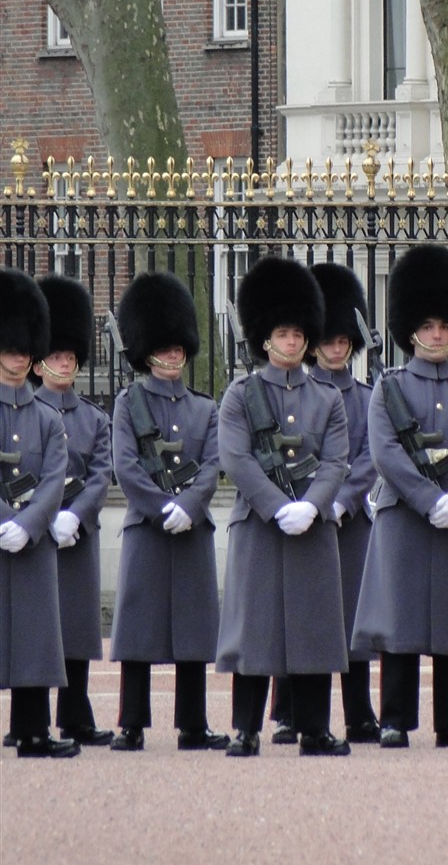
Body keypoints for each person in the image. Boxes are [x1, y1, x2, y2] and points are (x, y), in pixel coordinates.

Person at [352, 243, 448, 750]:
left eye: (444, 326)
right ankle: (395, 719)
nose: (437, 335)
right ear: (412, 330)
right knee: (401, 621)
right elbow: (385, 453)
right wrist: (427, 499)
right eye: (428, 326)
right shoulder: (388, 387)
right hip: (405, 518)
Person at [216, 256, 352, 757]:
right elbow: (236, 458)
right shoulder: (241, 395)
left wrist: (312, 507)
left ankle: (314, 729)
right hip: (260, 525)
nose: (292, 342)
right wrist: (277, 507)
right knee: (256, 630)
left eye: (298, 334)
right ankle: (246, 728)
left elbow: (336, 461)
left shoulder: (327, 398)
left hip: (313, 526)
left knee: (315, 629)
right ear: (265, 338)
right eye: (282, 333)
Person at [109, 271, 229, 752]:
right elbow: (126, 467)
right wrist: (163, 509)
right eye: (165, 346)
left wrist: (190, 507)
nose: (175, 354)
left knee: (194, 633)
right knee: (138, 631)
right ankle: (131, 723)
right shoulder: (128, 403)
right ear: (148, 350)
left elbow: (213, 465)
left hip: (192, 529)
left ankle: (193, 724)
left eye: (179, 346)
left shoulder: (204, 409)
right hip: (147, 527)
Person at [271, 262, 379, 745]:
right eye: (329, 341)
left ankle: (359, 712)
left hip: (348, 520)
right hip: (304, 515)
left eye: (343, 341)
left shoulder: (367, 397)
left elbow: (368, 457)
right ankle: (289, 711)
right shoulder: (296, 391)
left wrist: (341, 503)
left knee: (352, 618)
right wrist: (311, 504)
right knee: (297, 614)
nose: (337, 348)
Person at [31, 276, 114, 745]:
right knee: (37, 627)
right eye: (56, 355)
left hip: (77, 534)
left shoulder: (93, 418)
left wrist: (76, 516)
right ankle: (30, 719)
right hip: (36, 534)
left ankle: (76, 716)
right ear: (39, 362)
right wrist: (44, 517)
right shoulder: (26, 412)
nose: (64, 363)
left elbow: (101, 474)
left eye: (69, 356)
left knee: (79, 630)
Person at [0, 268, 79, 758]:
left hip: (32, 543)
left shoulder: (48, 418)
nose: (17, 358)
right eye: (10, 349)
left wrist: (27, 525)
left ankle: (33, 731)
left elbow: (55, 478)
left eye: (23, 350)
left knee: (34, 638)